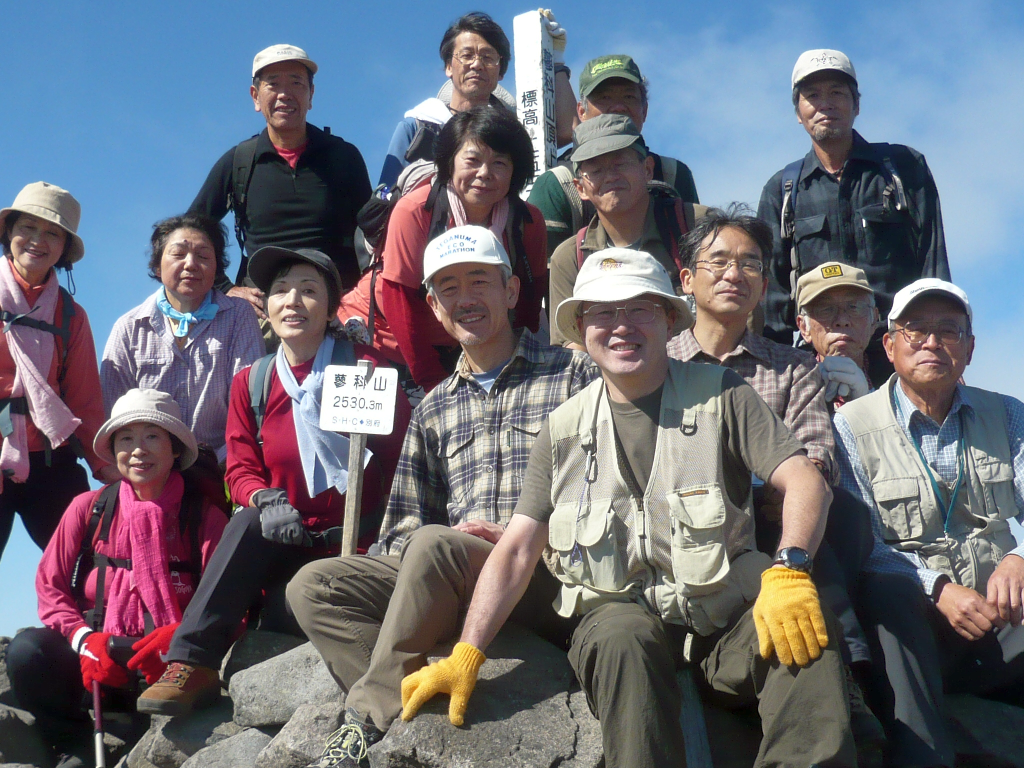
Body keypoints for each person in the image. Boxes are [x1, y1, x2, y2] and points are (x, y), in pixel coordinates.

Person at [401, 249, 854, 768]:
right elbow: (519, 546)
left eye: (639, 308)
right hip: (617, 627)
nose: (621, 327)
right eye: (602, 312)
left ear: (667, 318)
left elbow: (804, 480)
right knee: (622, 635)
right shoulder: (562, 427)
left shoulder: (724, 394)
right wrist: (468, 651)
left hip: (722, 624)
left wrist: (791, 569)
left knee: (801, 623)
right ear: (581, 326)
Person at [288, 226, 597, 768]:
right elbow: (402, 528)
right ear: (432, 305)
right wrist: (426, 564)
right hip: (454, 578)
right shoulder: (433, 408)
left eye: (480, 281)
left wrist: (523, 535)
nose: (466, 299)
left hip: (546, 574)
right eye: (448, 288)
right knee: (313, 585)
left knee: (437, 546)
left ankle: (364, 720)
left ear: (511, 291)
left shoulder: (574, 376)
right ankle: (417, 686)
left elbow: (607, 489)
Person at [135, 246, 410, 716]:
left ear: (329, 306)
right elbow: (239, 467)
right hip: (285, 553)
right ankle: (193, 662)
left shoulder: (367, 369)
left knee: (315, 593)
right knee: (246, 522)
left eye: (308, 291)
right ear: (268, 305)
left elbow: (403, 463)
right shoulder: (253, 382)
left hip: (356, 555)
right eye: (281, 291)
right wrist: (262, 497)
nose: (293, 302)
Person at [669, 208, 884, 755]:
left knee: (812, 549)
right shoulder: (655, 361)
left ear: (765, 285)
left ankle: (844, 680)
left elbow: (816, 465)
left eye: (749, 264)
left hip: (764, 542)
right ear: (685, 277)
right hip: (671, 544)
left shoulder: (790, 369)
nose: (733, 274)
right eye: (717, 261)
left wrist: (756, 489)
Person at [834, 278, 1024, 767]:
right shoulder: (850, 426)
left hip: (997, 619)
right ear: (890, 345)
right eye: (916, 330)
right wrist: (937, 588)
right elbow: (866, 544)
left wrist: (1019, 559)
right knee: (886, 590)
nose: (933, 343)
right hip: (915, 626)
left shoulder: (1007, 414)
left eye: (950, 331)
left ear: (971, 348)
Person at [6, 389, 228, 764]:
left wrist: (182, 642)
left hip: (169, 662)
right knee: (28, 652)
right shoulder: (88, 508)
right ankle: (75, 742)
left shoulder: (205, 518)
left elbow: (227, 602)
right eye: (126, 438)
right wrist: (84, 639)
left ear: (176, 449)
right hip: (95, 655)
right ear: (114, 451)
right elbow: (50, 586)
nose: (138, 450)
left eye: (152, 436)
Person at [339, 106, 547, 396]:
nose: (485, 173)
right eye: (472, 160)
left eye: (500, 163)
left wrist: (518, 363)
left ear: (517, 170)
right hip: (379, 339)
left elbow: (529, 300)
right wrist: (432, 381)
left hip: (457, 346)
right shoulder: (415, 210)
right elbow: (399, 300)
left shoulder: (529, 222)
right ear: (449, 162)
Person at [757, 49, 949, 349]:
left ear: (856, 104)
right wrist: (777, 366)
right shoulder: (780, 190)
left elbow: (933, 264)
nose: (825, 104)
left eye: (837, 92)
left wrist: (943, 342)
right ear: (798, 112)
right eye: (812, 95)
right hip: (818, 357)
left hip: (902, 350)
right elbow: (773, 295)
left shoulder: (904, 168)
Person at [189, 43, 372, 316]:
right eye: (273, 84)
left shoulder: (344, 157)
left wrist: (359, 298)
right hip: (262, 316)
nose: (285, 94)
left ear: (311, 95)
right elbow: (192, 228)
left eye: (297, 83)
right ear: (255, 96)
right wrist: (223, 287)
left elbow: (374, 236)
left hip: (336, 312)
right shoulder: (239, 162)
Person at [0, 182, 117, 564]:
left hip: (51, 462)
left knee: (89, 567)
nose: (38, 240)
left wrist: (105, 466)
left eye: (52, 233)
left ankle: (88, 627)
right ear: (9, 232)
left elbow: (84, 400)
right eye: (28, 228)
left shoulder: (70, 315)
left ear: (64, 249)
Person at [101, 213, 265, 461]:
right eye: (178, 254)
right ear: (157, 265)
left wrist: (222, 464)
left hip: (222, 464)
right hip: (149, 470)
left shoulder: (239, 316)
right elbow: (113, 412)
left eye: (203, 256)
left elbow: (249, 402)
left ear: (217, 268)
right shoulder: (128, 328)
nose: (191, 264)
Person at [547, 114, 706, 346]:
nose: (611, 176)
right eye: (596, 170)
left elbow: (738, 311)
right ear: (580, 187)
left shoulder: (698, 227)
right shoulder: (570, 258)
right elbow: (572, 348)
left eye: (621, 164)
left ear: (648, 169)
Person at [378, 11, 575, 190]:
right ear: (448, 67)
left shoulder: (509, 131)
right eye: (466, 55)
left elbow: (567, 132)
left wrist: (556, 61)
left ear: (501, 72)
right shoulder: (417, 128)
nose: (477, 64)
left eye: (488, 58)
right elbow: (385, 199)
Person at [529, 54, 700, 258]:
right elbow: (543, 277)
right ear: (581, 111)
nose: (618, 107)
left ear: (644, 110)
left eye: (629, 97)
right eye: (604, 98)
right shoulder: (557, 185)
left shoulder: (673, 174)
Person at [794, 260, 888, 408]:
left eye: (854, 307)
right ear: (804, 327)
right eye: (826, 309)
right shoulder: (790, 382)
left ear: (874, 320)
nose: (842, 320)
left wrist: (868, 399)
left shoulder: (897, 376)